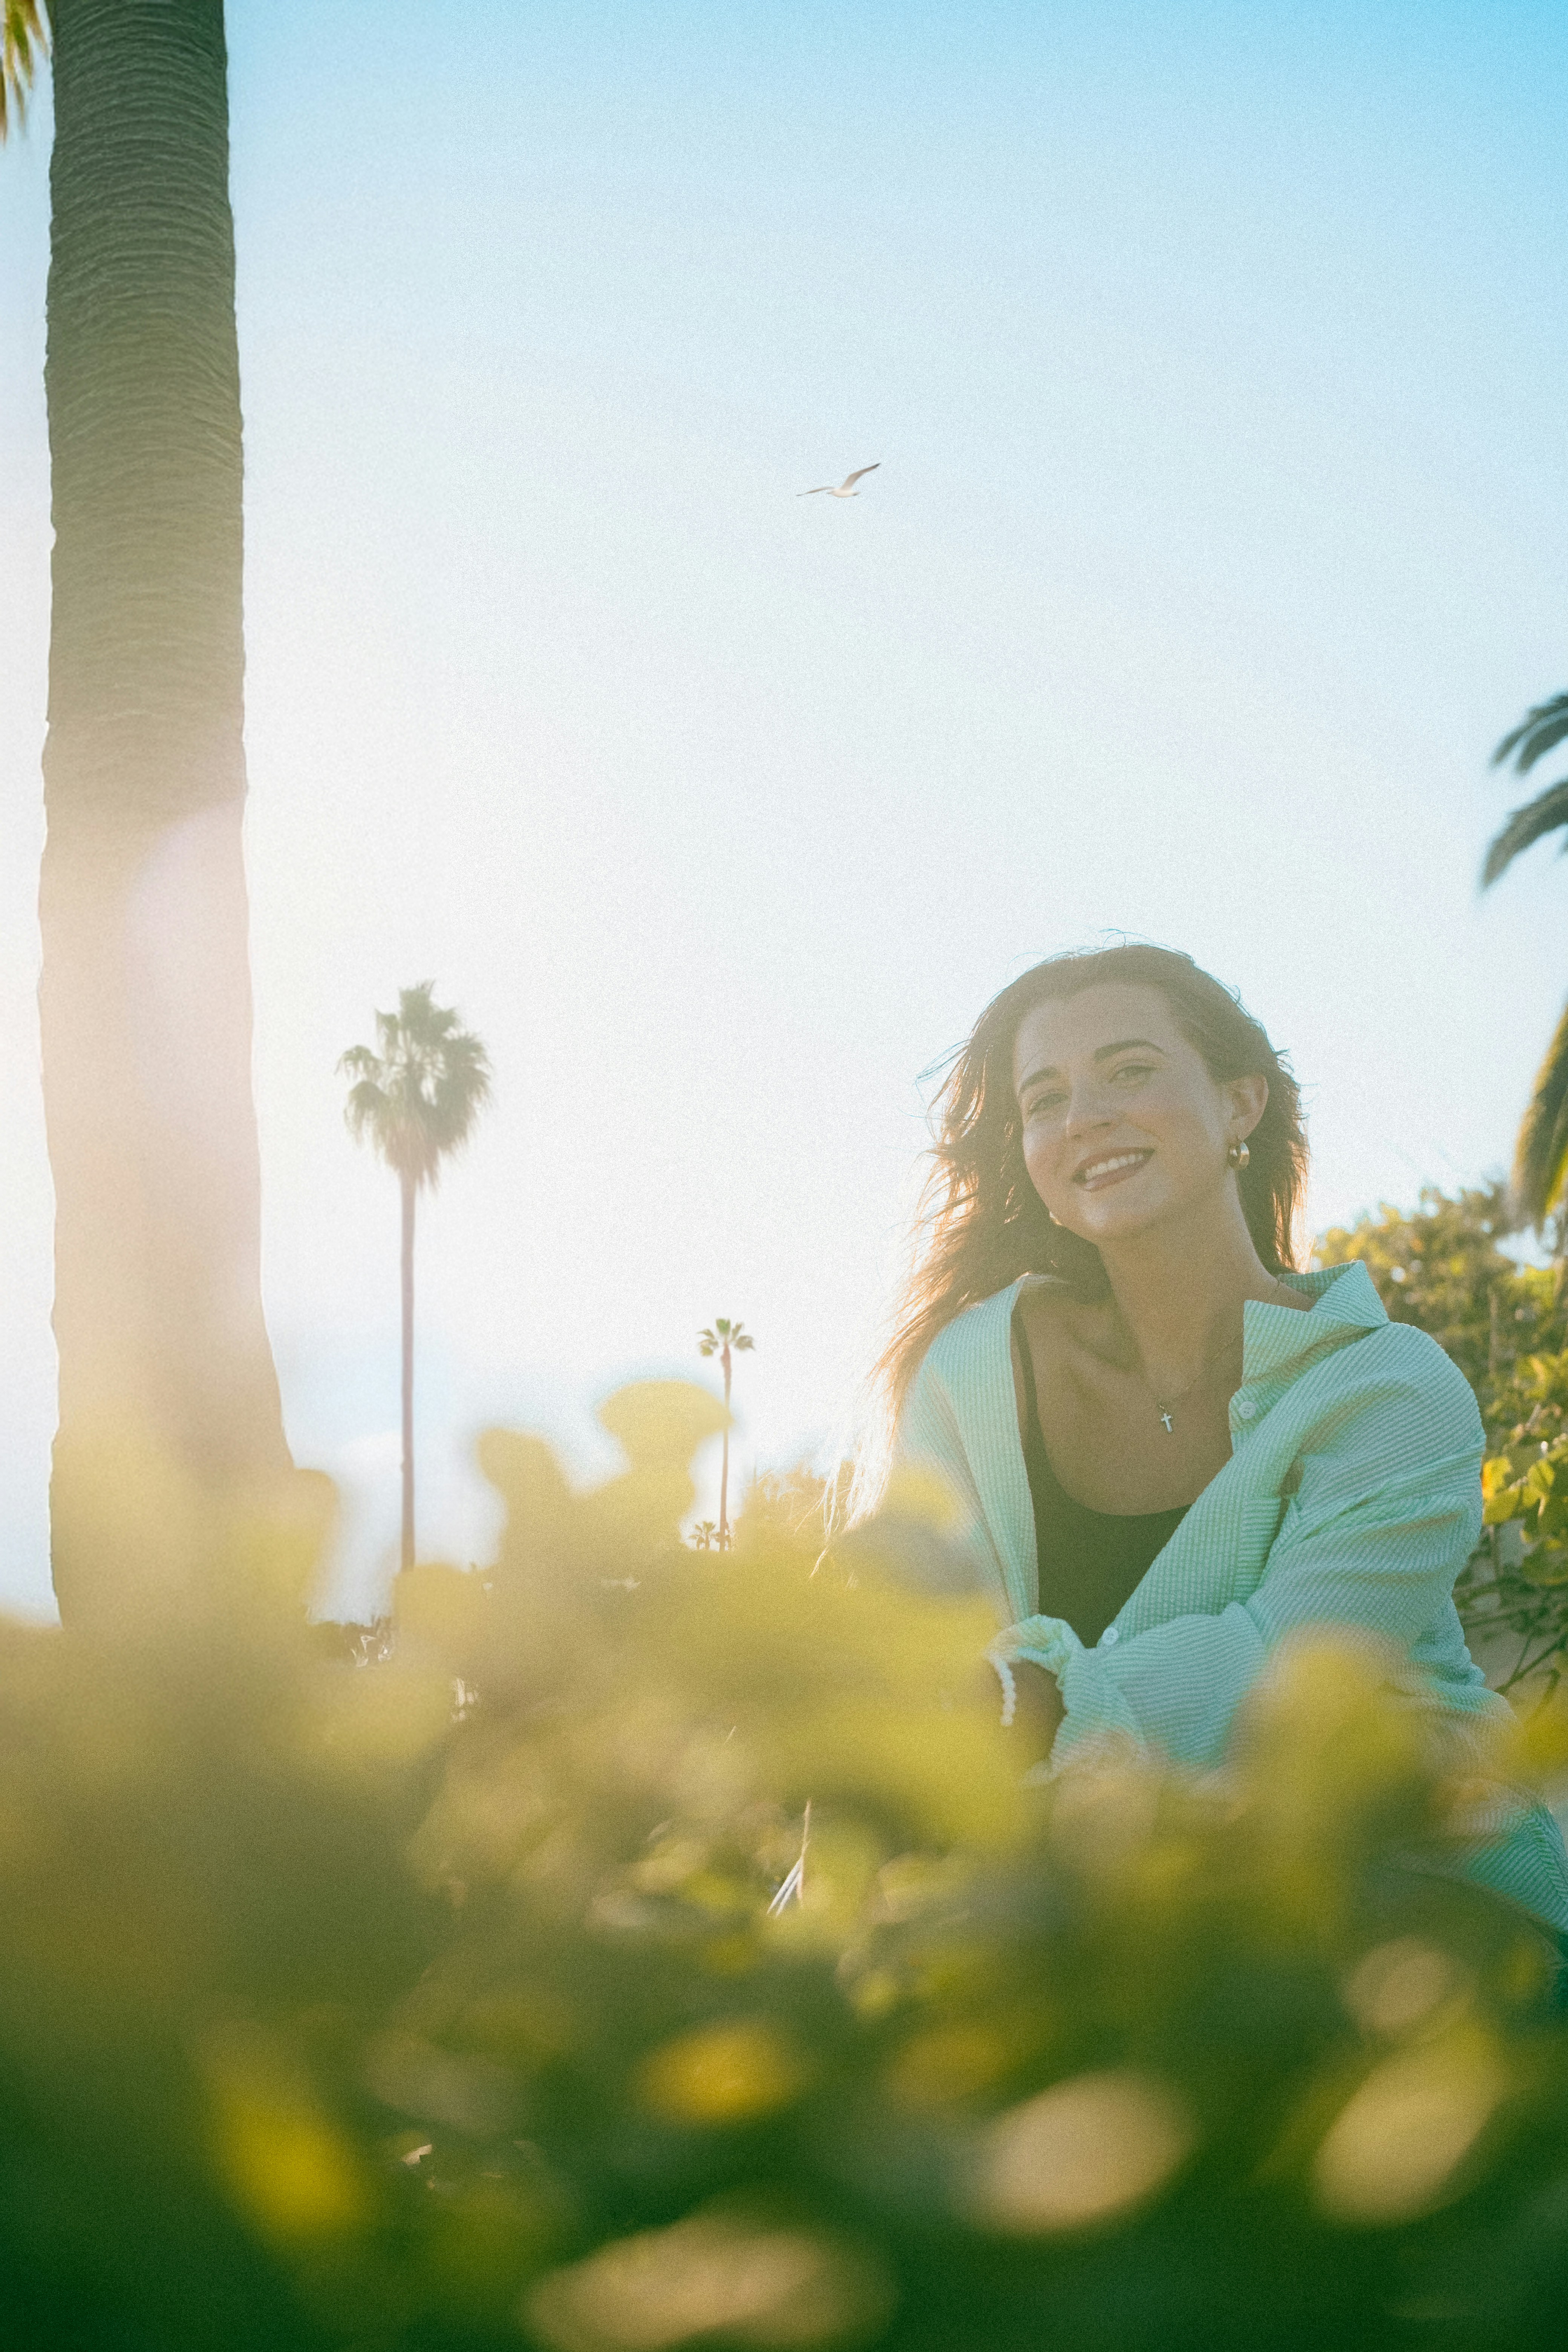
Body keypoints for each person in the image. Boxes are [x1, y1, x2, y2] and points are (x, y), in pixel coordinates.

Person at [872, 942, 1568, 1939]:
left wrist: (1025, 1708)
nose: (1085, 1117)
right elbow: (928, 1650)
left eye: (1130, 1071)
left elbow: (1285, 1674)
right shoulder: (971, 1375)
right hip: (1102, 1927)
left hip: (1417, 1915)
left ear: (1242, 1104)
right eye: (1045, 1099)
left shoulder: (1393, 1388)